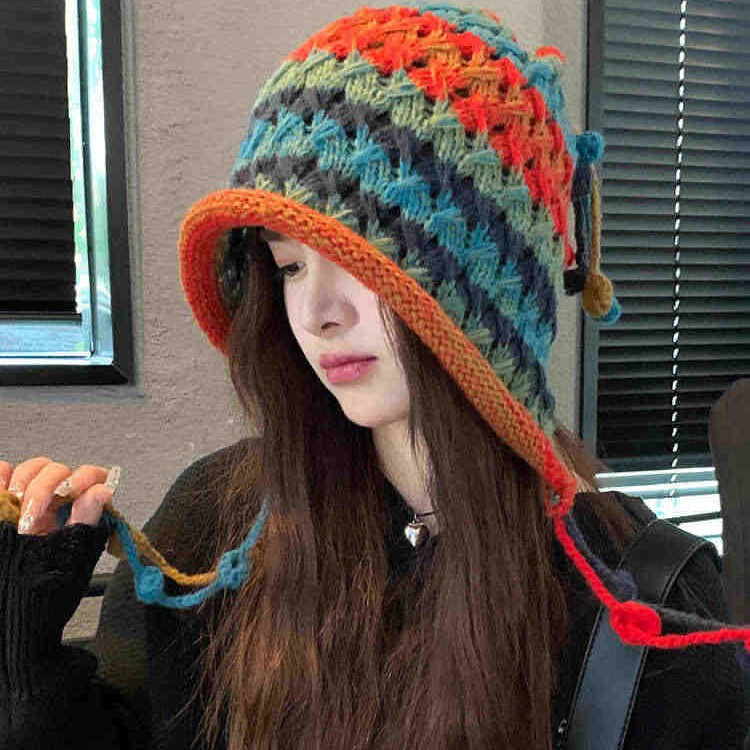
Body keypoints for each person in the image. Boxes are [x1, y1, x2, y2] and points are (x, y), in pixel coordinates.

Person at [0, 3, 747, 749]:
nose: (316, 313)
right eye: (289, 265)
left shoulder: (640, 600)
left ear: (483, 287)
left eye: (364, 264)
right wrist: (27, 660)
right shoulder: (216, 529)